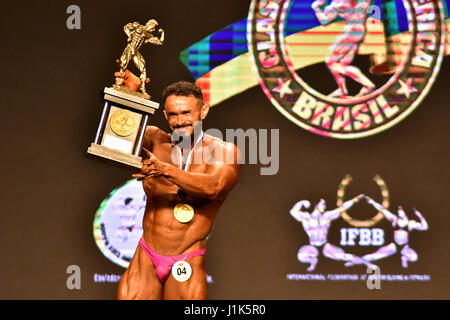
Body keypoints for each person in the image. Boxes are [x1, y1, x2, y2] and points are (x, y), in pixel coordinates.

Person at [114, 71, 241, 300]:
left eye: (186, 113)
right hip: (146, 255)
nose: (179, 121)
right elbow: (117, 139)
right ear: (164, 114)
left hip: (187, 257)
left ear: (203, 111)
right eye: (172, 114)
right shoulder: (154, 140)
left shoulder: (224, 152)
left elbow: (214, 187)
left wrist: (167, 170)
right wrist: (128, 96)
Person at [312, 0, 375, 97]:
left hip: (351, 33)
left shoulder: (339, 3)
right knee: (342, 64)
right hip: (359, 32)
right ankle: (342, 90)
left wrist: (316, 8)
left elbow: (324, 20)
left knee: (331, 61)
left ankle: (368, 85)